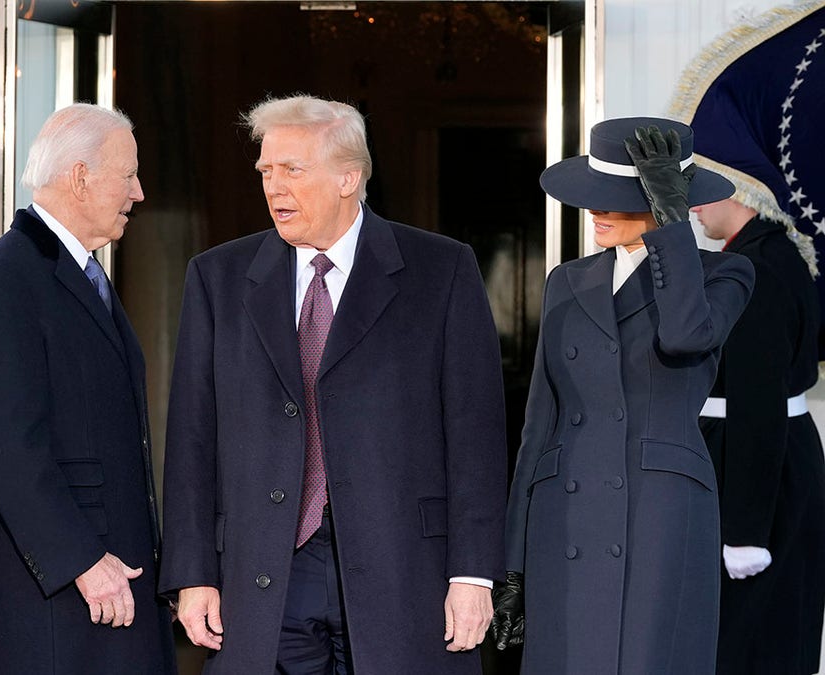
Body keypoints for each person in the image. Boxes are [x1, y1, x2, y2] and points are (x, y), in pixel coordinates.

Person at [159, 94, 507, 674]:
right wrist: (192, 573)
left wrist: (472, 574)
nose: (274, 187)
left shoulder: (441, 270)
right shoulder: (217, 277)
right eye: (266, 171)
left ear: (349, 177)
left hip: (402, 573)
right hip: (265, 576)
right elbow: (192, 437)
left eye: (293, 170)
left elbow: (475, 434)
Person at [493, 118, 755, 674]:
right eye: (594, 197)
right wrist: (512, 561)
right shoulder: (567, 279)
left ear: (665, 204)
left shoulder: (726, 272)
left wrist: (672, 225)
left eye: (618, 200)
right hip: (563, 517)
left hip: (659, 516)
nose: (597, 211)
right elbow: (539, 425)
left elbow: (685, 336)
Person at [0, 103, 176, 674]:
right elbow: (7, 444)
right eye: (128, 175)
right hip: (56, 600)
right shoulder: (5, 279)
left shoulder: (77, 273)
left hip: (103, 591)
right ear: (80, 177)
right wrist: (81, 561)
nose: (138, 193)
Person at [694, 196, 825, 674]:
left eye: (704, 189)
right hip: (776, 458)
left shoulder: (755, 268)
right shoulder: (775, 254)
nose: (691, 206)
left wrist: (746, 532)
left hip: (754, 469)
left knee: (749, 642)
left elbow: (758, 399)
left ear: (741, 191)